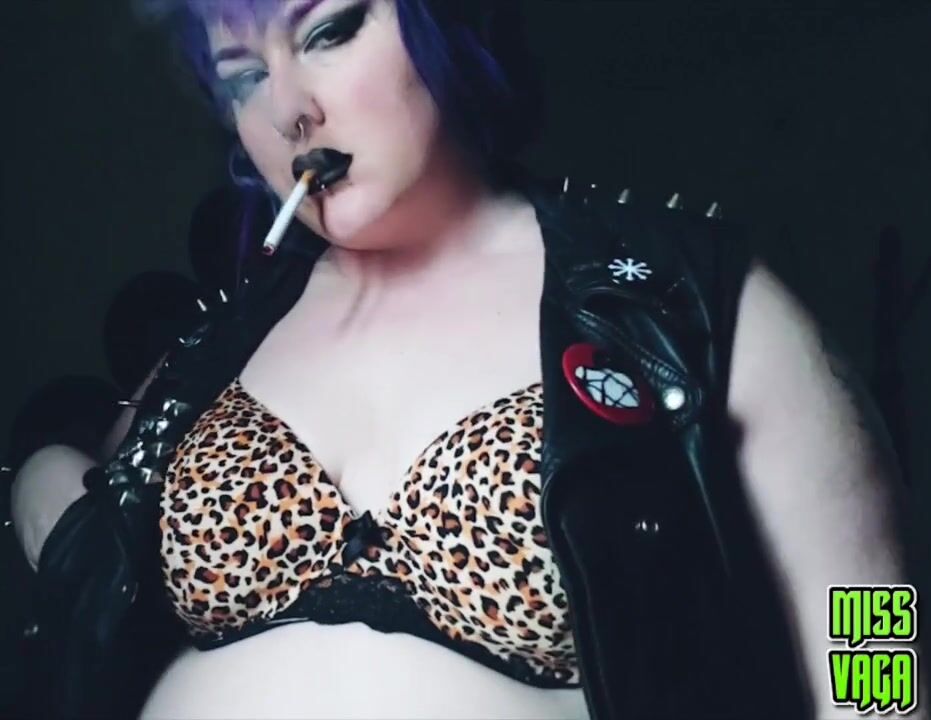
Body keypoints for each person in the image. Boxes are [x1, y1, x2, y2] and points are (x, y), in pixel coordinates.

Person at [10, 1, 922, 718]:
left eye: (329, 31)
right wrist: (37, 478)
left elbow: (873, 637)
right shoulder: (218, 349)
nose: (290, 110)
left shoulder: (688, 300)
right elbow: (92, 528)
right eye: (244, 76)